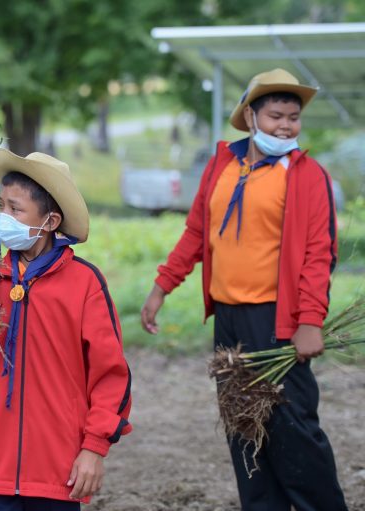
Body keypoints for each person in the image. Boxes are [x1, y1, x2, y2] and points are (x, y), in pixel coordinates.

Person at [140, 68, 347, 510]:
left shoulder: (308, 175)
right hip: (230, 321)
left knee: (294, 432)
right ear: (250, 116)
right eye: (276, 116)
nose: (286, 126)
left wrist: (310, 322)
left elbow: (318, 254)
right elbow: (197, 231)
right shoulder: (223, 163)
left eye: (294, 117)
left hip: (276, 321)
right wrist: (162, 286)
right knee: (244, 427)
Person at [0, 149, 132, 510]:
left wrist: (94, 447)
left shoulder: (84, 283)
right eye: (2, 206)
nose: (3, 218)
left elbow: (111, 374)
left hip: (57, 472)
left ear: (51, 220)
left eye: (16, 209)